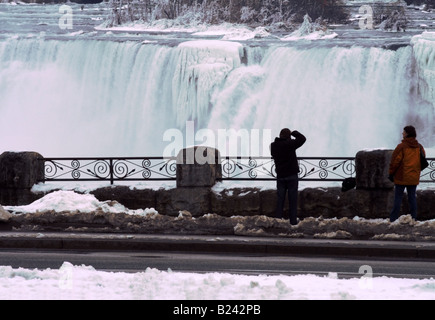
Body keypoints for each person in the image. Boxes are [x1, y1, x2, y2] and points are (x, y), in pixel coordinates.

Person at [388, 125, 426, 222]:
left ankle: (393, 218)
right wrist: (416, 170)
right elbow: (422, 160)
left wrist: (391, 173)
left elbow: (395, 162)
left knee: (398, 198)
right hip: (413, 176)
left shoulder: (401, 147)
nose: (402, 133)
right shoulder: (419, 147)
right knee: (412, 197)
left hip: (401, 176)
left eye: (404, 132)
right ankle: (413, 217)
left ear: (407, 133)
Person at [270, 128, 306, 225]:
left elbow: (274, 154)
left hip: (280, 176)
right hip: (292, 175)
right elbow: (302, 139)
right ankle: (293, 221)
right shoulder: (290, 144)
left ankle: (278, 220)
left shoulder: (273, 146)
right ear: (289, 136)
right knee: (292, 200)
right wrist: (294, 133)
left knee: (280, 200)